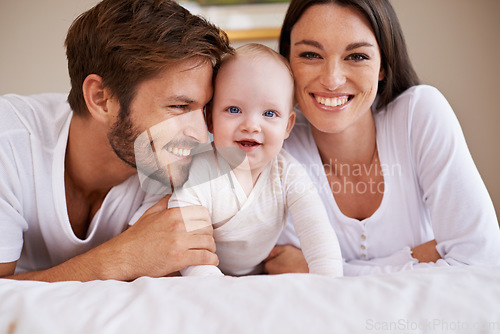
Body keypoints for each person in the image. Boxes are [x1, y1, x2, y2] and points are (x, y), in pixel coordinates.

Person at [0, 0, 232, 281]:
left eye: (204, 108)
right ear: (101, 98)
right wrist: (118, 259)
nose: (200, 134)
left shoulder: (175, 166)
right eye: (179, 107)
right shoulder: (9, 142)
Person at [264, 0, 500, 276]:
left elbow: (483, 259)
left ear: (383, 66)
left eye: (357, 56)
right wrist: (421, 256)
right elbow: (266, 267)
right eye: (311, 55)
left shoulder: (419, 114)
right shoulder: (274, 145)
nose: (332, 79)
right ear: (287, 63)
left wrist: (319, 269)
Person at [147, 43, 342, 277]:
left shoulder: (288, 173)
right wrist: (215, 285)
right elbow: (190, 246)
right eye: (233, 110)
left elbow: (317, 233)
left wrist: (330, 284)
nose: (251, 125)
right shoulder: (199, 171)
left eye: (269, 113)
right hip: (205, 274)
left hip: (257, 272)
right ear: (210, 119)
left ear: (287, 125)